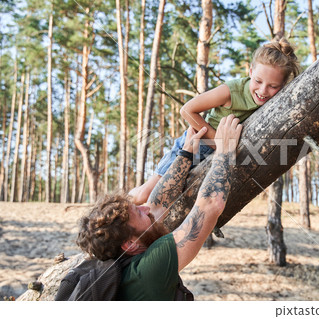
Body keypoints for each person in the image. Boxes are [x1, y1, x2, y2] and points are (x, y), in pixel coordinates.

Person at [76, 114, 243, 301]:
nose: (145, 208)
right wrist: (225, 151)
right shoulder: (150, 268)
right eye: (139, 213)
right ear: (130, 244)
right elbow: (211, 204)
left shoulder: (117, 259)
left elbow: (157, 204)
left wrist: (186, 153)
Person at [129, 37, 300, 205]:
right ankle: (117, 208)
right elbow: (187, 110)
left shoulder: (277, 101)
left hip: (219, 157)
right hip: (195, 146)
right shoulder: (231, 91)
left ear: (284, 84)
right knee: (147, 194)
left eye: (273, 86)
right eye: (258, 81)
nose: (263, 90)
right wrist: (219, 142)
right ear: (250, 72)